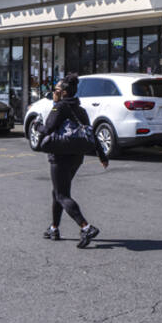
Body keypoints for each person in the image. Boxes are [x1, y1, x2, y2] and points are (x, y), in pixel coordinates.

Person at [42, 74, 108, 248]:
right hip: (76, 157)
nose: (53, 92)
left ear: (63, 92)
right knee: (58, 191)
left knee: (61, 194)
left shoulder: (60, 107)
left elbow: (47, 128)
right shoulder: (80, 109)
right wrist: (102, 155)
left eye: (56, 90)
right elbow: (91, 133)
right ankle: (54, 228)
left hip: (60, 155)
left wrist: (36, 126)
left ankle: (85, 227)